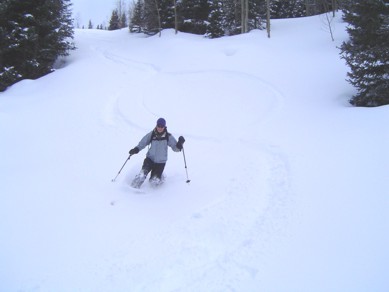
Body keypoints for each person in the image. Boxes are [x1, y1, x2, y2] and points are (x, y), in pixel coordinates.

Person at [129, 118, 185, 188]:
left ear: (164, 126)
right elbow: (143, 142)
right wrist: (136, 149)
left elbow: (175, 148)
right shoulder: (152, 134)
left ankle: (161, 177)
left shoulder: (168, 136)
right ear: (156, 125)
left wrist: (180, 144)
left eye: (162, 126)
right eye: (159, 125)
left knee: (154, 181)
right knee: (142, 175)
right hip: (150, 159)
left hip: (160, 163)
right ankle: (131, 190)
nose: (160, 128)